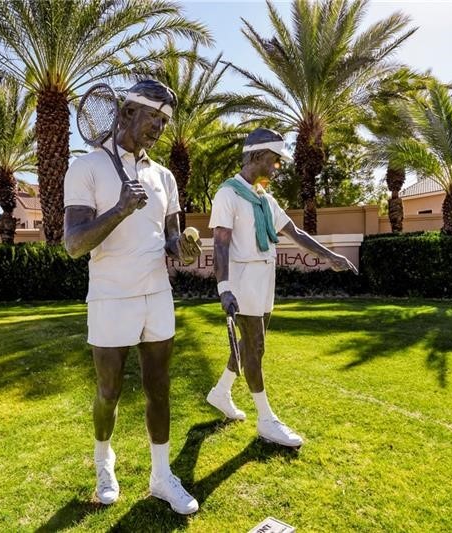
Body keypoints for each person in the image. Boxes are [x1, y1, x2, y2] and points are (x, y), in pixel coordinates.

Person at [63, 79, 202, 514]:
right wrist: (120, 209)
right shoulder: (85, 168)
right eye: (152, 118)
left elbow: (171, 238)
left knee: (159, 388)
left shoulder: (165, 177)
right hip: (110, 297)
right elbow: (74, 244)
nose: (158, 128)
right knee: (109, 392)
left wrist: (183, 248)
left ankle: (161, 476)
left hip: (156, 294)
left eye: (164, 122)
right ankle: (104, 461)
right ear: (125, 113)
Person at [206, 128, 358, 448]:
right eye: (274, 160)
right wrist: (224, 288)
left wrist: (330, 256)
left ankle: (220, 392)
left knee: (249, 344)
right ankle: (266, 419)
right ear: (257, 156)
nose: (277, 167)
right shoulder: (228, 194)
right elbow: (220, 245)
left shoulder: (265, 199)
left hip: (265, 280)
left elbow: (296, 233)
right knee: (256, 348)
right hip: (243, 280)